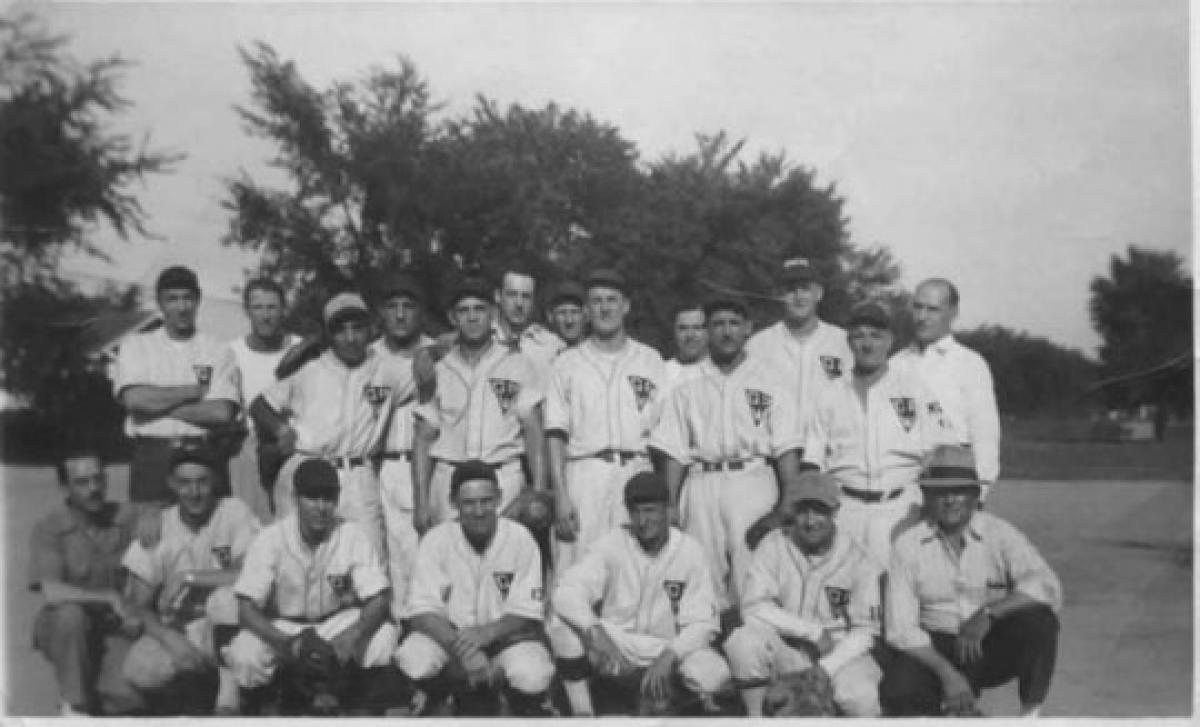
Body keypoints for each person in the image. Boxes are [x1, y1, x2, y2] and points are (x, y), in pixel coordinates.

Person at [879, 445, 1062, 718]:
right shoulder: (908, 544)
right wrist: (948, 675)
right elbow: (900, 629)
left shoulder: (999, 533)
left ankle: (1029, 716)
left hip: (987, 644)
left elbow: (1046, 585)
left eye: (960, 490)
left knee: (1040, 622)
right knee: (897, 688)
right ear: (927, 496)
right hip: (937, 646)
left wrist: (989, 614)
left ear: (976, 495)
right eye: (941, 492)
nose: (951, 500)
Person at [650, 297, 805, 613]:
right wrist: (670, 503)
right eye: (718, 324)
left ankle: (754, 644)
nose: (726, 332)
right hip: (701, 481)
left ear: (748, 329)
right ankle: (708, 652)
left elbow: (787, 447)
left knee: (752, 573)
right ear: (707, 331)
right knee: (702, 576)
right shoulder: (687, 382)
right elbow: (675, 452)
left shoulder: (770, 379)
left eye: (734, 324)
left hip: (752, 479)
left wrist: (788, 501)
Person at [549, 471, 731, 716]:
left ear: (668, 509)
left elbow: (703, 623)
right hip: (619, 643)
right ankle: (584, 714)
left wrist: (670, 656)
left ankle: (675, 707)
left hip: (667, 645)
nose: (643, 520)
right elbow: (567, 591)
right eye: (636, 512)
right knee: (562, 627)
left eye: (650, 510)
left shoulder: (690, 550)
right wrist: (595, 631)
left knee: (712, 674)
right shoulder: (612, 543)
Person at [250, 292, 414, 555]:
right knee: (296, 558)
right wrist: (280, 429)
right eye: (341, 330)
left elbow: (430, 367)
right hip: (307, 465)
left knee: (369, 558)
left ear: (370, 329)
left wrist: (444, 343)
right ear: (330, 334)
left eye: (357, 328)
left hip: (357, 473)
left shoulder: (387, 369)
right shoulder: (311, 370)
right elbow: (260, 405)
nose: (350, 338)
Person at [225, 458, 398, 707]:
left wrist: (351, 636)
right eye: (312, 497)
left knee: (384, 637)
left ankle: (357, 701)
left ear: (337, 500)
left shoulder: (352, 534)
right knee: (245, 653)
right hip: (285, 627)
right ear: (295, 498)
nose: (320, 507)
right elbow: (246, 609)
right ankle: (266, 702)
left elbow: (379, 599)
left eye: (328, 498)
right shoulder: (271, 538)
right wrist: (286, 644)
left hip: (334, 624)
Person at [394, 461, 555, 715]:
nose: (479, 511)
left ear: (500, 498)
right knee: (414, 658)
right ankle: (441, 695)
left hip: (504, 640)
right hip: (450, 640)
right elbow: (421, 612)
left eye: (486, 500)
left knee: (533, 674)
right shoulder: (436, 540)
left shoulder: (520, 538)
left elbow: (528, 611)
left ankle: (514, 702)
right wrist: (464, 651)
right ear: (453, 503)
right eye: (469, 503)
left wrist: (488, 633)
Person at [804, 301, 954, 566]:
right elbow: (812, 460)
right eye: (859, 336)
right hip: (845, 508)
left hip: (901, 507)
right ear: (848, 342)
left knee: (897, 595)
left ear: (890, 341)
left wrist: (927, 510)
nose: (867, 344)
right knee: (846, 593)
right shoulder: (828, 393)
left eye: (876, 335)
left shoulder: (915, 389)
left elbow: (943, 452)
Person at [723, 471, 883, 716]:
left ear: (835, 511)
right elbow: (753, 607)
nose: (810, 521)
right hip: (787, 647)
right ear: (791, 513)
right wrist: (812, 632)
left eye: (819, 511)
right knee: (742, 642)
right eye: (802, 511)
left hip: (840, 653)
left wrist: (826, 669)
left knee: (860, 695)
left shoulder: (859, 558)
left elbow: (866, 631)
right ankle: (754, 717)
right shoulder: (774, 544)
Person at [119, 447, 261, 715]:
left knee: (227, 598)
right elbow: (138, 605)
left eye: (202, 482)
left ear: (215, 482)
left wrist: (190, 578)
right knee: (139, 670)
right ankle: (186, 703)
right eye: (184, 483)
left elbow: (253, 572)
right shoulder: (158, 526)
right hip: (182, 628)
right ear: (171, 484)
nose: (194, 492)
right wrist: (168, 637)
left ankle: (228, 697)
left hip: (232, 628)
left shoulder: (234, 511)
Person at [546, 268, 665, 577]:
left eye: (612, 300)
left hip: (637, 470)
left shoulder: (650, 360)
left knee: (634, 571)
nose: (604, 308)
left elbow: (665, 435)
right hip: (585, 474)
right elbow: (555, 434)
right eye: (596, 301)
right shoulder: (567, 363)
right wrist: (560, 494)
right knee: (577, 571)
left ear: (626, 306)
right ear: (586, 310)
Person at [412, 275, 547, 532]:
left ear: (493, 314)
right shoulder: (439, 368)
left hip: (502, 476)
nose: (472, 318)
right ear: (453, 318)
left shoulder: (518, 364)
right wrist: (420, 502)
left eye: (479, 309)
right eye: (464, 311)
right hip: (450, 479)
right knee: (452, 564)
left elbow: (533, 431)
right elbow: (423, 438)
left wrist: (538, 491)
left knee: (504, 562)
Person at [30, 449, 146, 715]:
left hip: (115, 628)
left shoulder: (126, 516)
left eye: (98, 479)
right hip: (68, 628)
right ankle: (75, 704)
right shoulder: (50, 527)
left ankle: (95, 687)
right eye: (82, 482)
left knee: (132, 697)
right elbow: (52, 591)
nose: (94, 489)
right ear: (65, 486)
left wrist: (153, 519)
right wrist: (108, 596)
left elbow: (163, 518)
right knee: (69, 616)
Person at [113, 265, 241, 503]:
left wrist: (159, 406)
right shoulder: (136, 346)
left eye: (187, 299)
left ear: (198, 301)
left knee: (210, 535)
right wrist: (192, 392)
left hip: (203, 454)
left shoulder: (218, 351)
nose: (181, 307)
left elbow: (221, 412)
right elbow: (135, 400)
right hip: (153, 456)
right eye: (172, 299)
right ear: (160, 304)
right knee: (152, 535)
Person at [892, 278, 1001, 501]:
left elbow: (986, 437)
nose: (922, 317)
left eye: (932, 309)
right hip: (902, 484)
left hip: (951, 482)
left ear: (953, 313)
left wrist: (978, 495)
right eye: (918, 307)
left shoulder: (970, 363)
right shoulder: (895, 363)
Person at [369, 273, 435, 619]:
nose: (399, 315)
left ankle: (415, 637)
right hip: (374, 465)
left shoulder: (437, 353)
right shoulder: (367, 354)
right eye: (392, 306)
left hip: (419, 465)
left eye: (408, 307)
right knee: (377, 559)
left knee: (415, 558)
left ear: (420, 312)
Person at [227, 278, 300, 522]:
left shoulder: (301, 350)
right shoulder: (231, 353)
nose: (266, 315)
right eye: (258, 308)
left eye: (272, 307)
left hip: (296, 446)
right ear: (247, 311)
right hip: (250, 447)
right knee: (251, 526)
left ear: (283, 310)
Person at [746, 257, 852, 415]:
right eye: (791, 289)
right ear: (779, 295)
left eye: (805, 288)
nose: (798, 296)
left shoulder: (843, 342)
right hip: (775, 438)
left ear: (819, 293)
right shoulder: (758, 346)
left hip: (829, 438)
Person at [493, 264, 565, 378]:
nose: (519, 303)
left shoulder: (553, 346)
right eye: (512, 295)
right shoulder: (481, 339)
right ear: (497, 296)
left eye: (526, 296)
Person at [662, 303, 707, 392]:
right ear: (673, 331)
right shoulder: (660, 375)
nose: (690, 335)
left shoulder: (725, 374)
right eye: (683, 328)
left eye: (697, 328)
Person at [546, 280, 587, 347]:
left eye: (574, 312)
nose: (569, 320)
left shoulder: (601, 353)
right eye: (562, 312)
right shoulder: (539, 354)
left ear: (586, 315)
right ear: (550, 316)